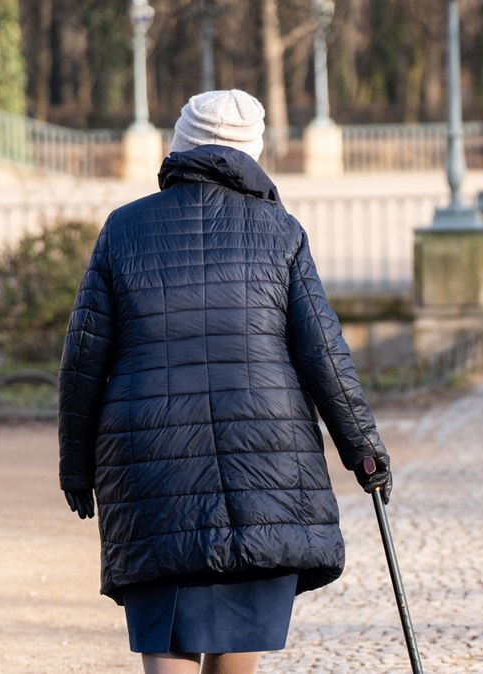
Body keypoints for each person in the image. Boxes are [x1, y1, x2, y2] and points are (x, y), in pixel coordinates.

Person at [58, 89, 393, 674]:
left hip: (152, 463)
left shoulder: (123, 229)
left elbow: (83, 359)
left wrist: (76, 465)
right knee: (240, 634)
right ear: (253, 155)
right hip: (263, 462)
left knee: (167, 638)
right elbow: (326, 356)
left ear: (180, 145)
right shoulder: (279, 231)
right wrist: (363, 451)